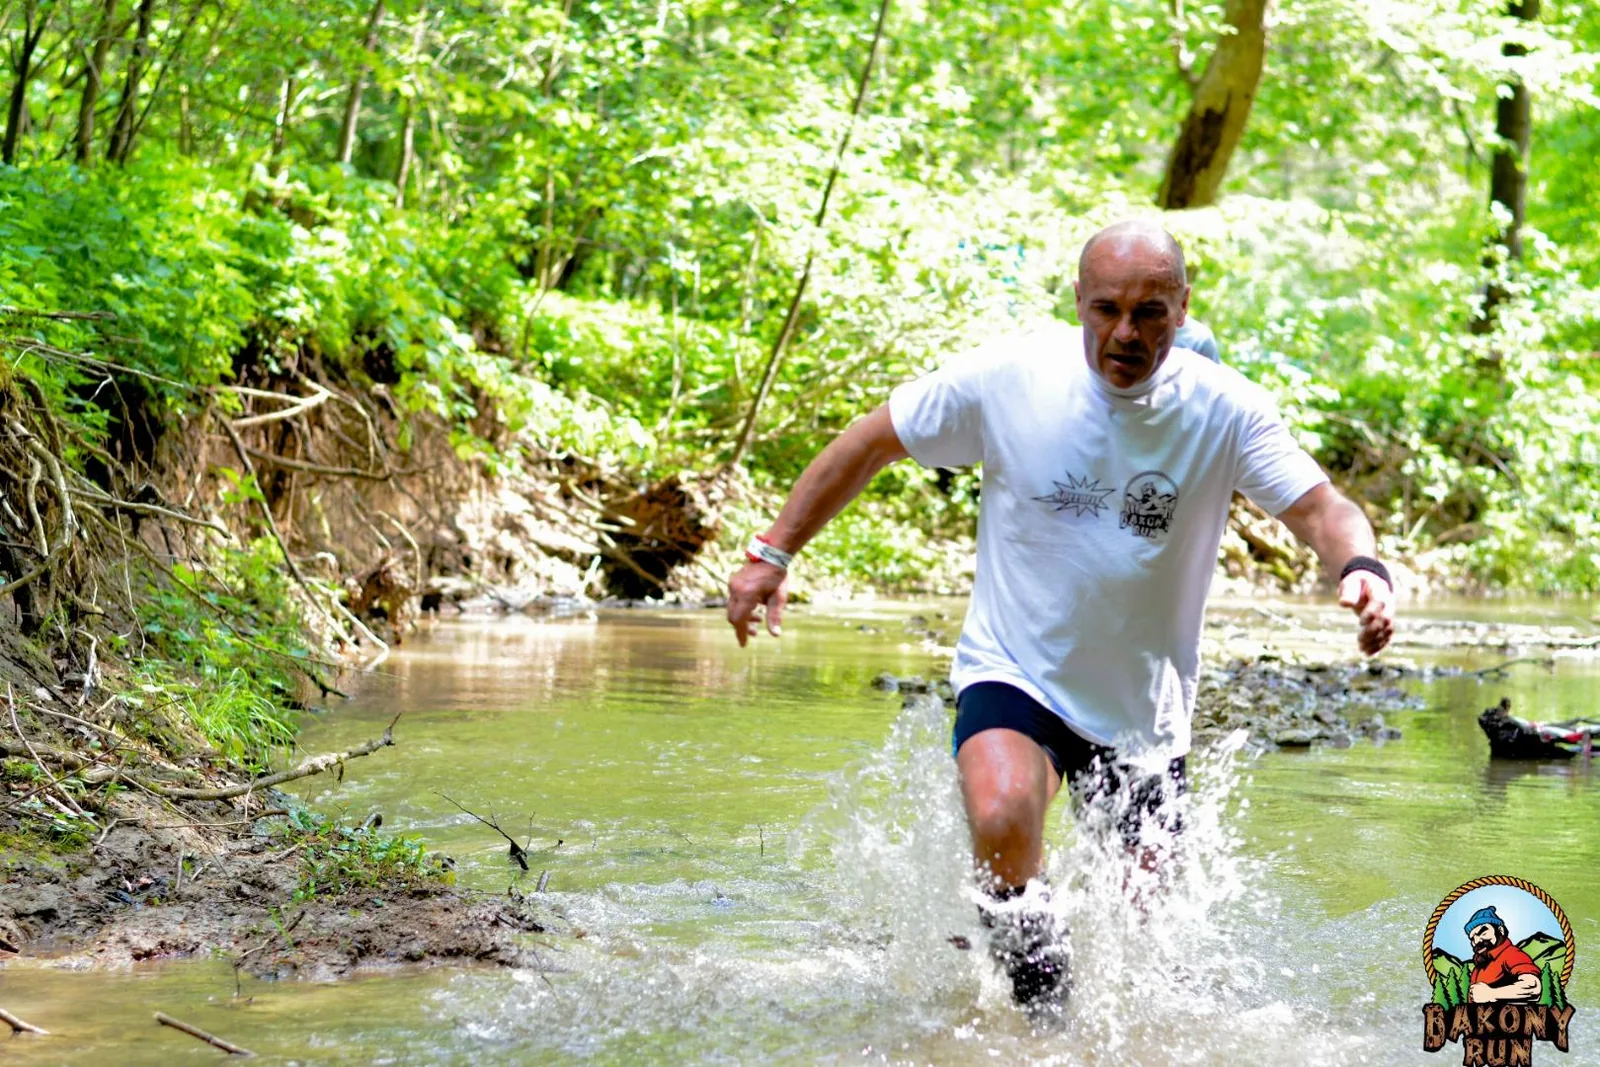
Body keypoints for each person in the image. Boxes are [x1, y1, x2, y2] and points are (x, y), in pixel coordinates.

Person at [725, 220, 1396, 1012]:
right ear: (1078, 300)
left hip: (1143, 708)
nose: (1126, 333)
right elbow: (872, 441)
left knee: (1146, 952)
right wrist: (773, 551)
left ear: (1183, 308)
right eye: (1107, 308)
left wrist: (1362, 566)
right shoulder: (1010, 377)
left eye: (1150, 312)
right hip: (1018, 668)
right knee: (1003, 814)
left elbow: (1322, 508)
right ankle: (1039, 1019)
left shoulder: (1224, 409)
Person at [1465, 907, 1542, 1004]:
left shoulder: (1511, 954)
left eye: (1482, 933)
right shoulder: (1479, 967)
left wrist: (1491, 994)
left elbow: (1533, 987)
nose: (1476, 941)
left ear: (1500, 930)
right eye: (1472, 938)